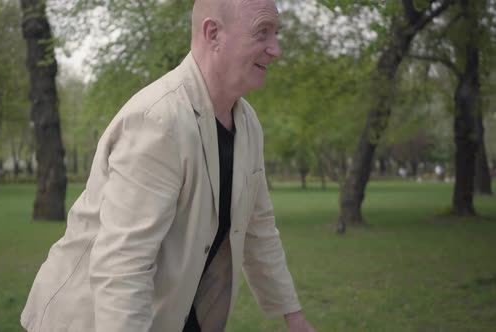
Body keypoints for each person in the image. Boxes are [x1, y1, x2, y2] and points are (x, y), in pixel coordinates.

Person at [20, 0, 316, 331]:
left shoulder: (247, 124)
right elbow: (123, 266)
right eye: (263, 32)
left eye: (277, 34)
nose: (276, 49)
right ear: (213, 33)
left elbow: (258, 228)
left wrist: (293, 315)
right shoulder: (158, 122)